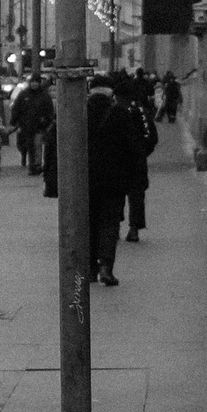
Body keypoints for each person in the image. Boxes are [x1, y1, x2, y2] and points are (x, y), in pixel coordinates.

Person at [87, 81, 145, 285]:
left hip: (86, 182)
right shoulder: (121, 115)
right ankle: (106, 268)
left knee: (89, 223)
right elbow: (135, 149)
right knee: (109, 224)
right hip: (114, 182)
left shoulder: (78, 114)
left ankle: (91, 267)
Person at [123, 77, 160, 241]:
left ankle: (112, 227)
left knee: (113, 195)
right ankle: (134, 228)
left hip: (117, 161)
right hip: (137, 161)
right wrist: (142, 153)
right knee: (136, 196)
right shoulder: (141, 111)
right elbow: (151, 136)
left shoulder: (116, 110)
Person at [10, 78, 52, 178]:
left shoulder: (44, 95)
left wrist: (46, 120)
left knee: (37, 145)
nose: (34, 84)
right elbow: (17, 108)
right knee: (30, 146)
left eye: (36, 82)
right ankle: (32, 165)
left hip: (39, 126)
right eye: (32, 82)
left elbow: (49, 109)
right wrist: (14, 121)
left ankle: (37, 165)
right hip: (27, 126)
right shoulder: (24, 95)